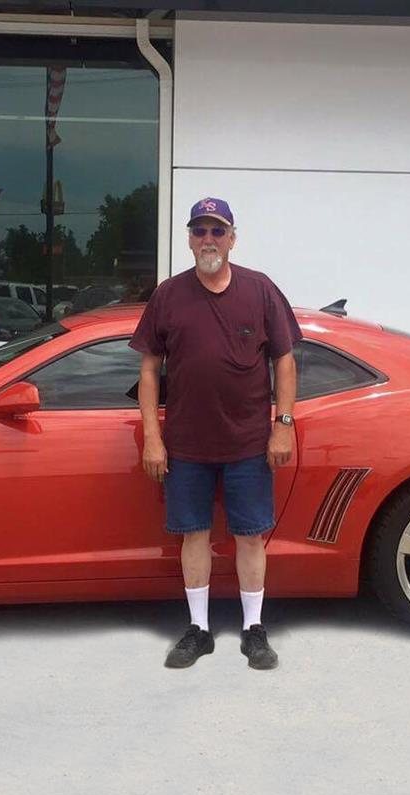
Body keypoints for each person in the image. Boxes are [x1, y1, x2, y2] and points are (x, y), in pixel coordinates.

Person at [129, 197, 301, 671]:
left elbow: (284, 360)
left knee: (250, 537)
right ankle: (199, 630)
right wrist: (152, 436)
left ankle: (253, 630)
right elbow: (149, 370)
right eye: (200, 231)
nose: (209, 240)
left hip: (249, 443)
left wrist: (282, 425)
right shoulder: (168, 295)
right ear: (188, 238)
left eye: (217, 231)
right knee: (194, 537)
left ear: (232, 238)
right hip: (186, 445)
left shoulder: (261, 290)